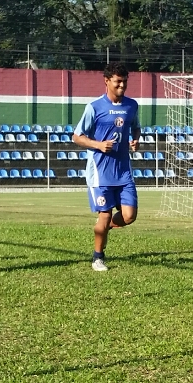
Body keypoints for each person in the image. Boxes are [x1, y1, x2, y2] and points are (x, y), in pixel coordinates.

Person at [72, 62, 142, 272]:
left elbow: (136, 128)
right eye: (118, 81)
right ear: (107, 81)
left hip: (123, 171)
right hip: (100, 173)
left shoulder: (132, 105)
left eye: (124, 81)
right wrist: (98, 145)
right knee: (104, 215)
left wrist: (136, 140)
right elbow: (77, 136)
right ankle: (97, 257)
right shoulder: (94, 107)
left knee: (129, 216)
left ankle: (104, 228)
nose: (122, 85)